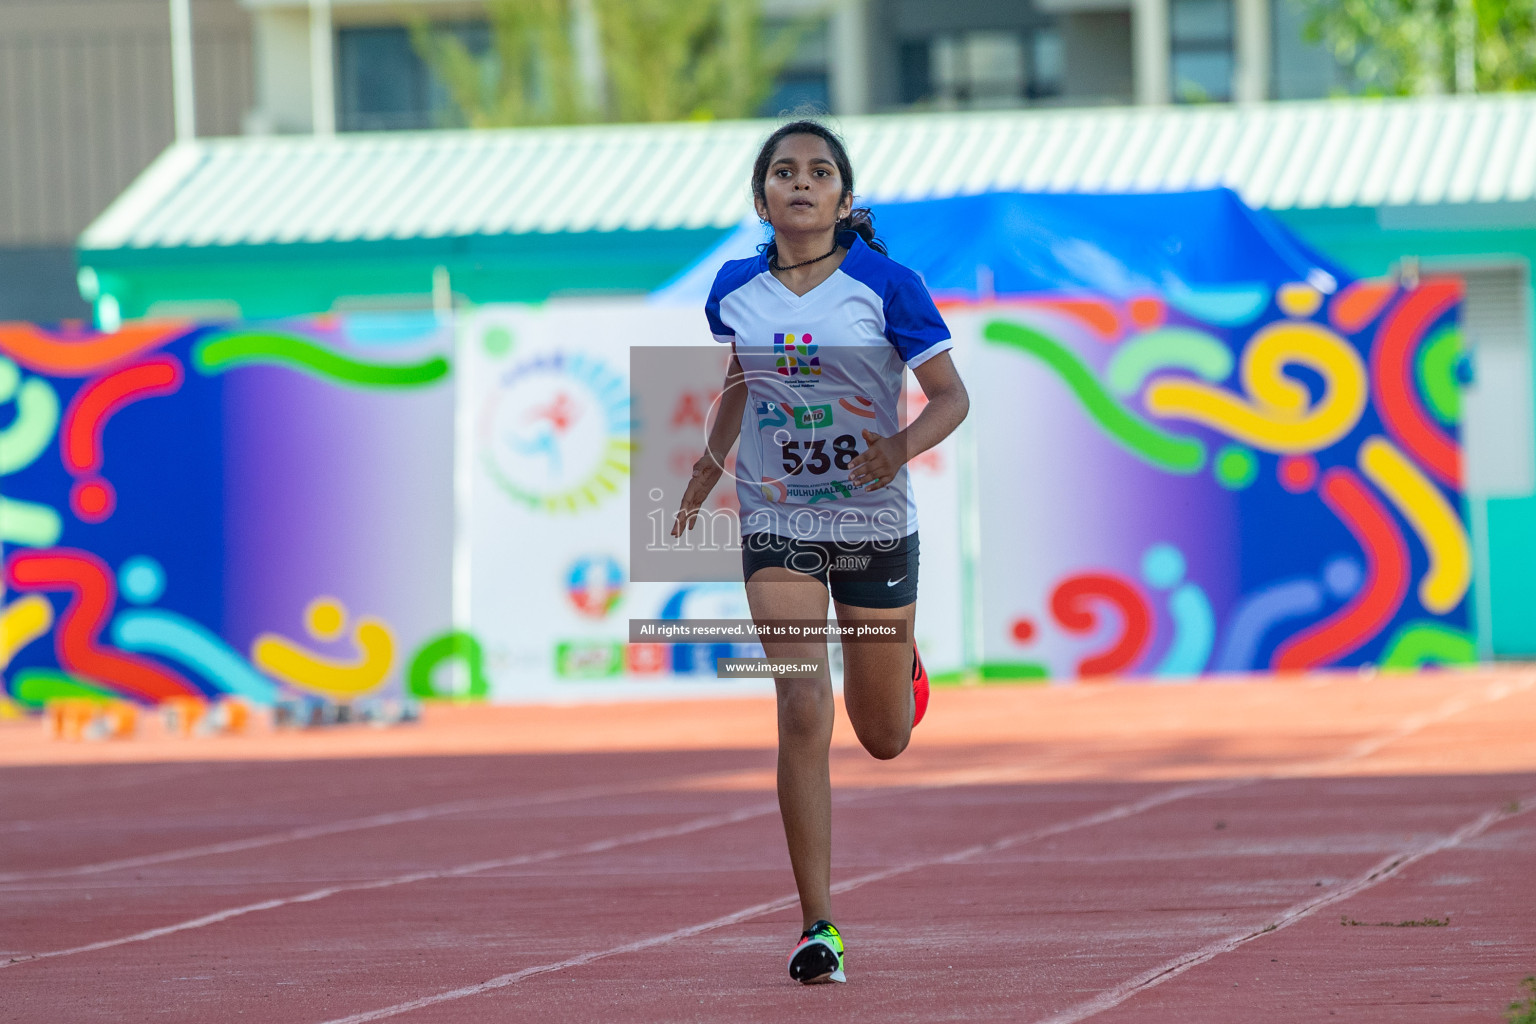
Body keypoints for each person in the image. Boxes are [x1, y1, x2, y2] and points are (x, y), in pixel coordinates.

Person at [671, 119, 969, 985]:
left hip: (873, 521)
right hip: (778, 519)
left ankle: (899, 661)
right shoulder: (733, 289)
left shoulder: (889, 286)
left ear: (844, 197)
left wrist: (898, 449)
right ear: (761, 197)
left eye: (820, 171)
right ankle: (818, 926)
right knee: (803, 705)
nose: (801, 183)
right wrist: (709, 462)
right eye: (783, 171)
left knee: (881, 738)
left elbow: (951, 398)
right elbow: (743, 379)